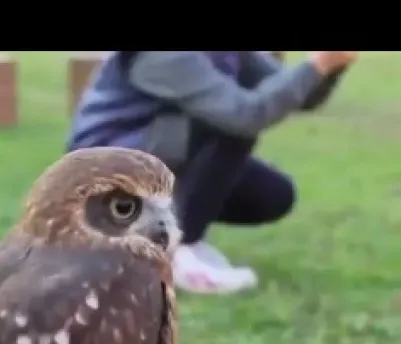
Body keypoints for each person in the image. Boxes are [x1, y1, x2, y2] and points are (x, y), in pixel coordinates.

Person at [66, 51, 358, 294]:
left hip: (153, 160)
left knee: (273, 195)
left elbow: (294, 91)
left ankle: (162, 237)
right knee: (229, 125)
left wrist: (330, 66)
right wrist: (318, 65)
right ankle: (179, 249)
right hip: (101, 176)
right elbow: (245, 114)